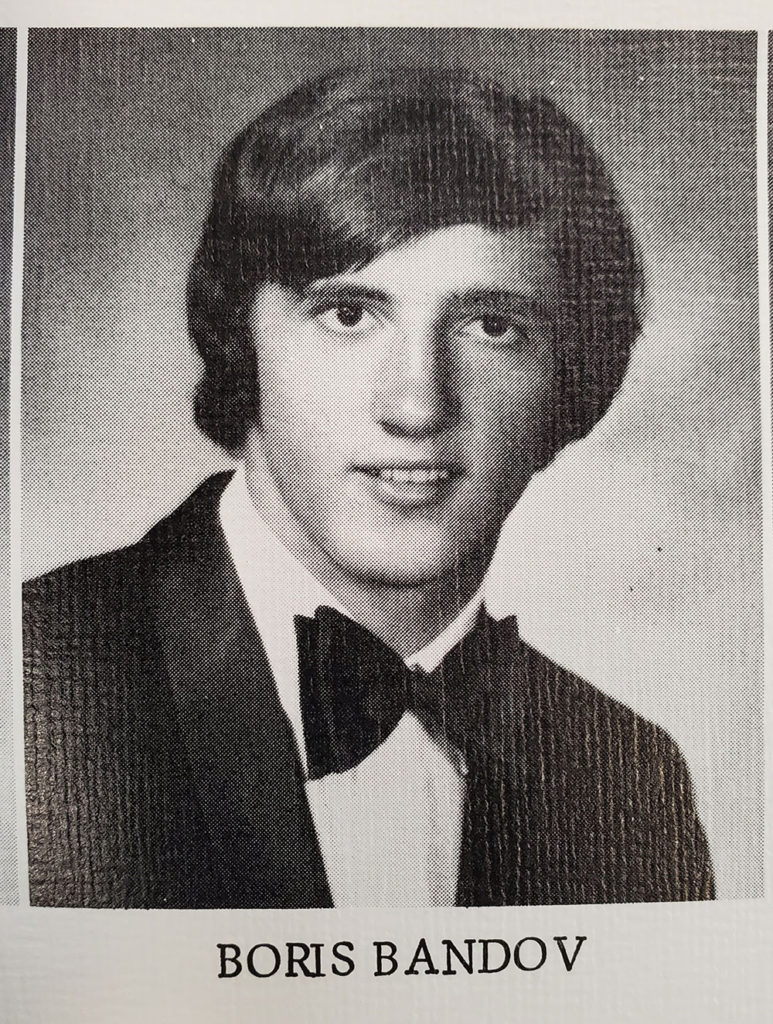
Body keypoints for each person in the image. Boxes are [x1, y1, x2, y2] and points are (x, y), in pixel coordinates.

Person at [24, 67, 714, 908]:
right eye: (349, 314)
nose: (417, 406)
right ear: (240, 339)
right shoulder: (29, 677)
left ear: (569, 381)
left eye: (491, 326)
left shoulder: (629, 778)